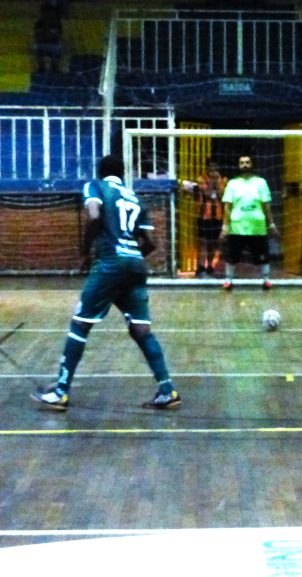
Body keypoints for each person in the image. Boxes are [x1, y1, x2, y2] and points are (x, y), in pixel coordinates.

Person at [32, 155, 181, 411]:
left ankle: (61, 391)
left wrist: (84, 254)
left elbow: (94, 216)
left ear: (100, 172)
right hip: (135, 265)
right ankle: (167, 389)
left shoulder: (96, 186)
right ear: (122, 174)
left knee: (80, 324)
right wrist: (130, 260)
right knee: (141, 330)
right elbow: (150, 243)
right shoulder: (134, 197)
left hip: (110, 263)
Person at [220, 154, 279, 290]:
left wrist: (271, 224)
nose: (245, 165)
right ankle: (228, 280)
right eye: (242, 163)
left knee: (262, 256)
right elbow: (227, 206)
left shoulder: (261, 182)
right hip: (237, 227)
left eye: (247, 162)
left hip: (257, 227)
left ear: (252, 164)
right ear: (238, 166)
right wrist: (225, 226)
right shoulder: (232, 183)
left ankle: (266, 280)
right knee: (232, 256)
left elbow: (266, 205)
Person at [183, 159, 226, 277]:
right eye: (211, 167)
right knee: (202, 241)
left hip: (218, 216)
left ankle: (211, 265)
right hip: (203, 215)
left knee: (214, 242)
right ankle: (200, 266)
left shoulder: (223, 180)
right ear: (207, 168)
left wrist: (216, 184)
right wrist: (213, 184)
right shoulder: (201, 179)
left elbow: (222, 196)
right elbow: (207, 193)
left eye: (215, 167)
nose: (213, 170)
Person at [33, 4, 62, 74]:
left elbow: (59, 35)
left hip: (53, 44)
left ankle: (54, 69)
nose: (48, 15)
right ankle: (41, 69)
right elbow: (37, 35)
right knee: (38, 49)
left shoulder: (57, 23)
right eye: (46, 13)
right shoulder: (39, 23)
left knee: (57, 49)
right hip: (42, 44)